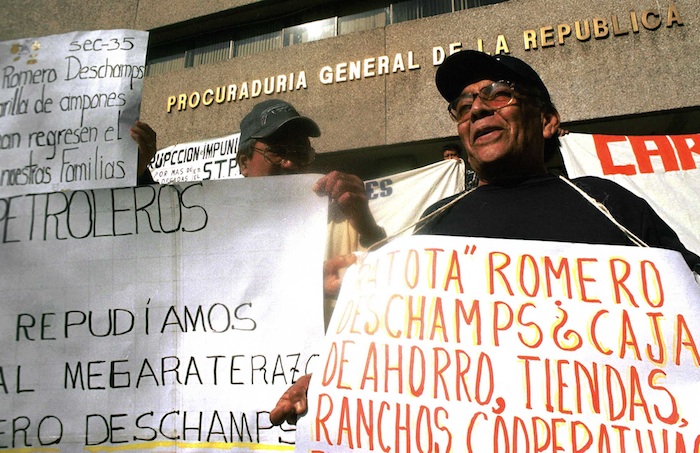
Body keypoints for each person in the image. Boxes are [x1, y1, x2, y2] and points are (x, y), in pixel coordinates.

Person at [269, 49, 700, 427]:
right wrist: (330, 375)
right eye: (462, 106)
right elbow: (389, 336)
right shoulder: (434, 224)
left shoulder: (609, 204)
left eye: (498, 94)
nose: (476, 110)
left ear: (547, 121)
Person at [236, 99, 387, 325]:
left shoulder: (342, 221)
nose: (290, 163)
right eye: (277, 151)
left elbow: (392, 288)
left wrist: (368, 227)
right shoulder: (209, 228)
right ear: (244, 162)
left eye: (301, 153)